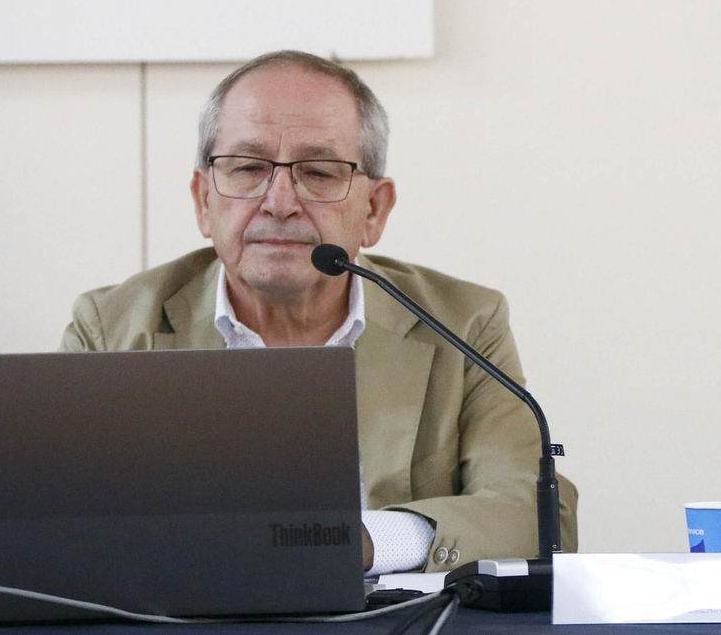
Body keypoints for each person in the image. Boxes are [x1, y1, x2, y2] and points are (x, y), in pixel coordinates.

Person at [62, 50, 578, 574]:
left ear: (373, 210)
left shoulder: (464, 324)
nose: (279, 201)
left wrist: (361, 543)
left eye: (319, 173)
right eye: (247, 168)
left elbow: (536, 516)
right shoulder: (112, 328)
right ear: (203, 202)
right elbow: (50, 524)